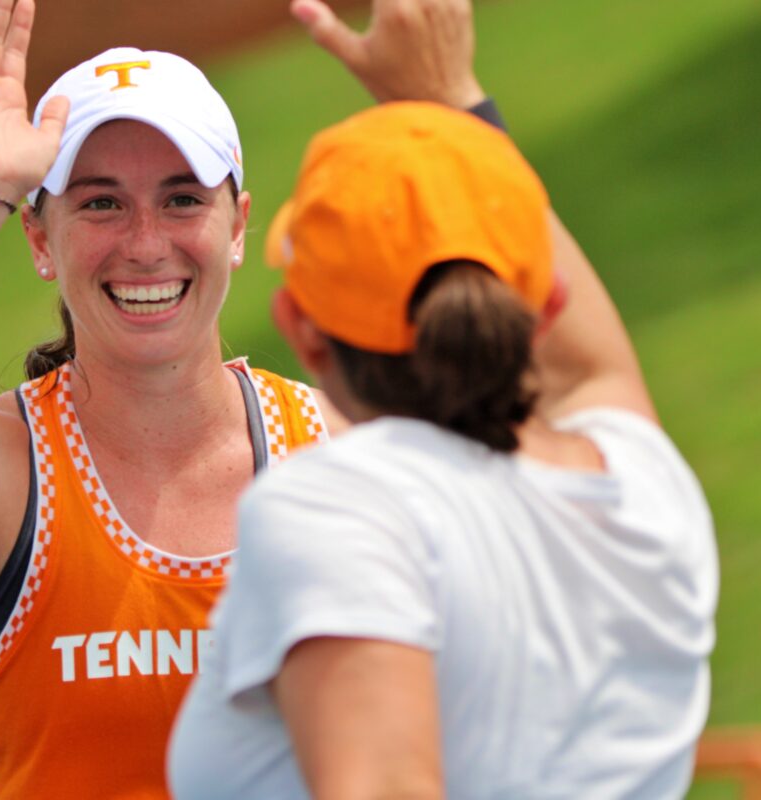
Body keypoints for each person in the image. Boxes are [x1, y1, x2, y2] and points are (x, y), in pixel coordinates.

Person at [0, 0, 501, 795]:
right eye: (101, 202)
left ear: (237, 227)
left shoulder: (336, 446)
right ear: (40, 238)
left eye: (183, 198)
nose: (146, 243)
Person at [168, 102, 720, 798]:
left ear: (302, 331)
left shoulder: (340, 511)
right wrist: (455, 94)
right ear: (547, 308)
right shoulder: (645, 485)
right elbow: (593, 369)